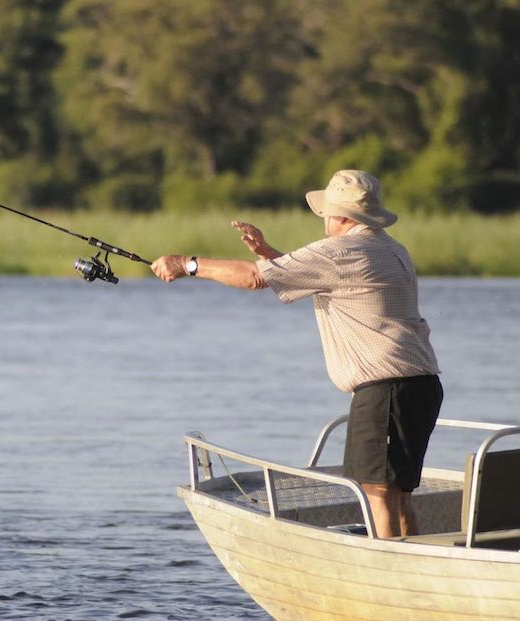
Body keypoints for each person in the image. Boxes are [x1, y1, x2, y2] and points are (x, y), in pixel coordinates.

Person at [151, 169, 442, 539]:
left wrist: (188, 265)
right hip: (420, 386)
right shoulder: (391, 248)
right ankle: (408, 569)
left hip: (386, 390)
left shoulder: (340, 251)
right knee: (398, 496)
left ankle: (393, 575)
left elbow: (255, 278)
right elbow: (334, 280)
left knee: (378, 495)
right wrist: (271, 255)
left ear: (340, 216)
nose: (322, 218)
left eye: (325, 213)